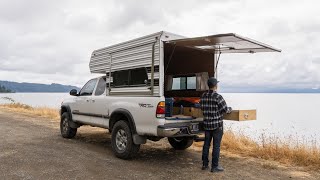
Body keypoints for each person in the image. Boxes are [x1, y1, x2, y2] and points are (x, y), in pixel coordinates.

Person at [200, 77, 232, 173]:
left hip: (207, 125)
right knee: (216, 146)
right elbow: (225, 110)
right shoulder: (218, 97)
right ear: (215, 86)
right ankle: (215, 167)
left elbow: (201, 107)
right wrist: (230, 108)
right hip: (217, 126)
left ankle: (205, 165)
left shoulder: (203, 96)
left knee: (206, 145)